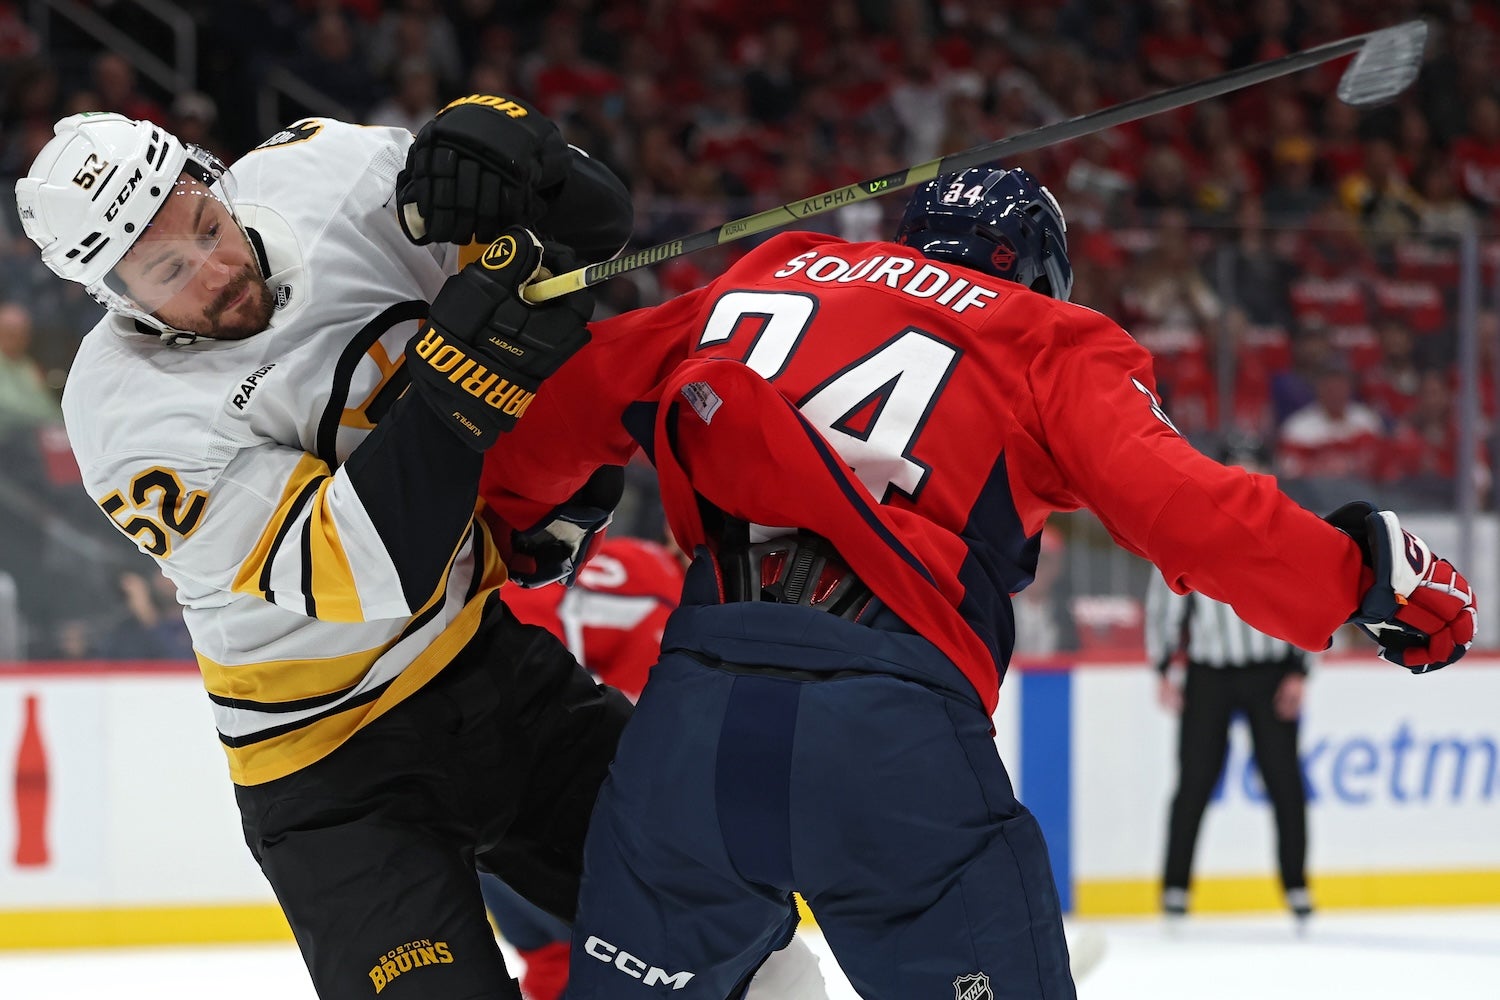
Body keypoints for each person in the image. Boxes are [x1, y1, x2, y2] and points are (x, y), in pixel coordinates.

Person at [478, 165, 1476, 999]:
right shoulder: (1045, 338)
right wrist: (1358, 578)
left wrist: (512, 518)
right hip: (885, 738)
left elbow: (569, 400)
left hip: (687, 732)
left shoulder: (771, 269)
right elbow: (1188, 508)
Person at [16, 96, 640, 1000]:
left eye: (205, 226)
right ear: (114, 298)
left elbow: (586, 237)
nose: (217, 270)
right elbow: (369, 568)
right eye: (166, 271)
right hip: (328, 765)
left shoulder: (332, 175)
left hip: (489, 664)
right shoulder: (124, 417)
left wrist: (537, 162)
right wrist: (462, 382)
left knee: (724, 919)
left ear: (209, 174)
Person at [485, 535, 829, 999]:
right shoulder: (661, 575)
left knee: (555, 955)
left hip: (484, 787)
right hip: (594, 799)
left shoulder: (568, 563)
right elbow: (661, 719)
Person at [1146, 441, 1312, 923]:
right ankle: (1176, 887)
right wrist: (1162, 668)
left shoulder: (1286, 529)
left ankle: (1296, 884)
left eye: (1252, 470)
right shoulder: (1191, 530)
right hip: (1209, 673)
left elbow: (1306, 602)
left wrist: (1301, 673)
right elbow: (1166, 604)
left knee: (1285, 782)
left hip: (1270, 671)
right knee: (1195, 780)